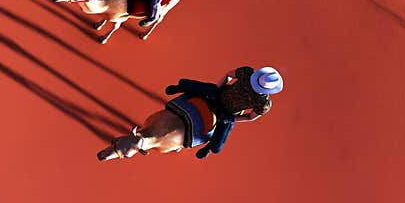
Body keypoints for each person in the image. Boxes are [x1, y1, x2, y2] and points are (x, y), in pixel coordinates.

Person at [96, 66, 284, 161]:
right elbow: (230, 77)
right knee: (200, 92)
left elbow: (249, 115)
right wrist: (218, 91)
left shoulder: (260, 98)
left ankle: (208, 148)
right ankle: (178, 87)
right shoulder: (251, 80)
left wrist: (230, 115)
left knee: (221, 131)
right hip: (221, 98)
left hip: (227, 110)